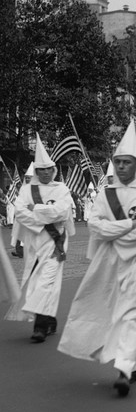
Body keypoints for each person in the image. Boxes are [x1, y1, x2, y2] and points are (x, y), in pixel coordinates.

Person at [58, 120, 136, 397]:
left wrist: (114, 232)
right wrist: (127, 226)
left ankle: (124, 369)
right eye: (117, 162)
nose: (121, 167)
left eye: (126, 162)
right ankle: (133, 360)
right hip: (108, 264)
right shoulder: (106, 194)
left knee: (133, 313)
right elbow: (95, 225)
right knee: (114, 311)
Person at [5, 134, 75, 342]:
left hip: (55, 244)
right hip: (33, 245)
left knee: (46, 282)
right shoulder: (27, 190)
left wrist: (36, 209)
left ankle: (40, 327)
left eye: (48, 169)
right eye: (41, 170)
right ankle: (49, 319)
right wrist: (47, 212)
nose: (45, 173)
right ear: (36, 171)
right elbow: (20, 213)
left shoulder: (62, 189)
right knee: (37, 284)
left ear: (54, 170)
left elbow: (63, 213)